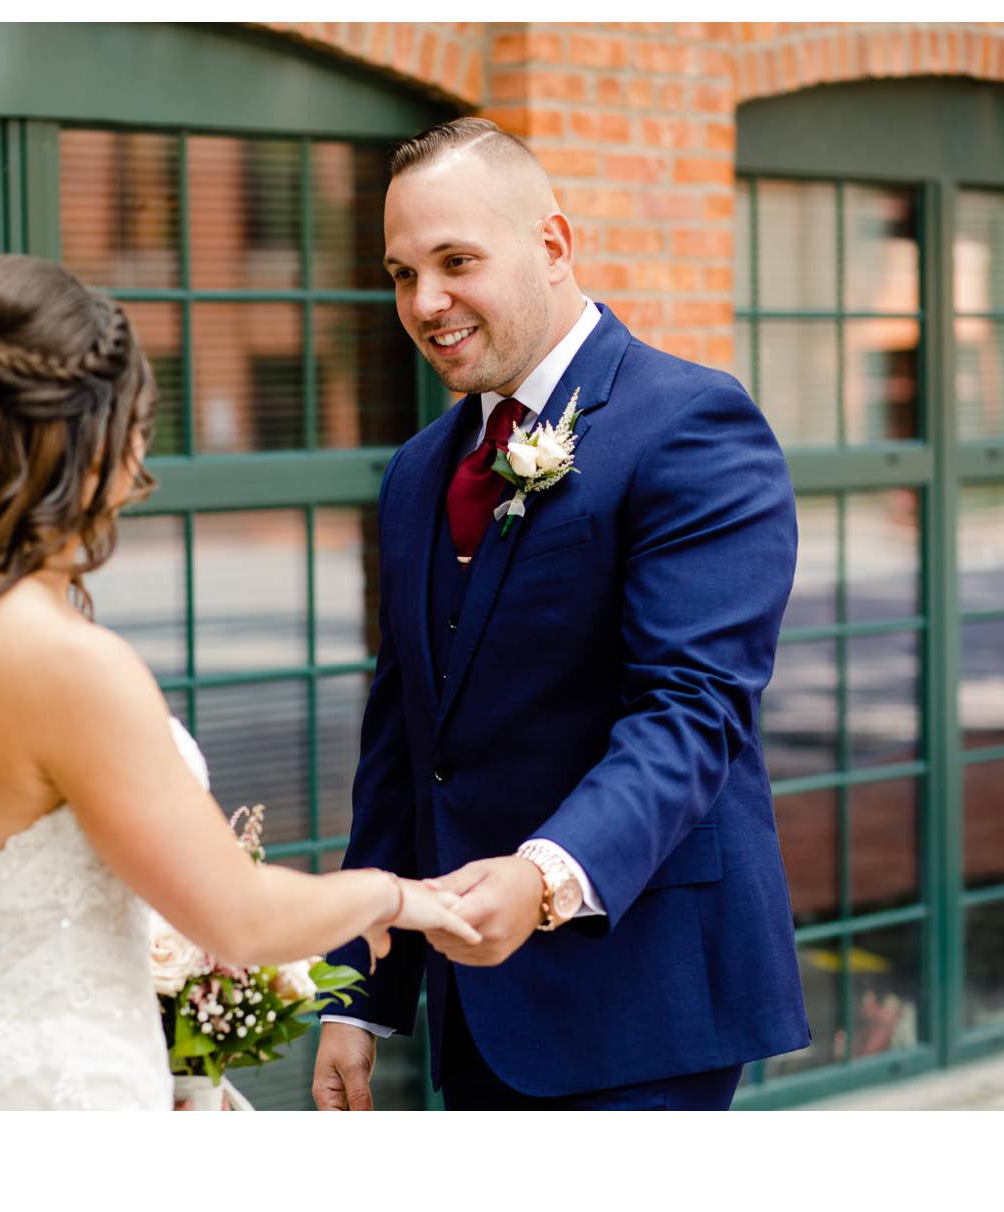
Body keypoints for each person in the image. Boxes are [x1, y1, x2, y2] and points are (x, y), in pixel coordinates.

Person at [0, 254, 481, 1111]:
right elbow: (239, 918)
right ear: (89, 437)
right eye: (136, 420)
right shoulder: (70, 663)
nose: (141, 452)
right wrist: (393, 893)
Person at [311, 118, 810, 1111]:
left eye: (455, 262)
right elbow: (405, 751)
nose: (425, 302)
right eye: (401, 273)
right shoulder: (416, 472)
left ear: (551, 245)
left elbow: (691, 712)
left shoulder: (692, 423)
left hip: (642, 996)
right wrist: (355, 995)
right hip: (473, 1015)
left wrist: (543, 880)